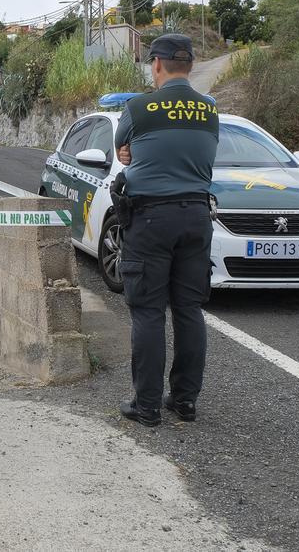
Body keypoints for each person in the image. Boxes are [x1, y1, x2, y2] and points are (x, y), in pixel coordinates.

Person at [113, 33, 219, 427]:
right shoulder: (209, 109)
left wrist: (130, 153)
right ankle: (186, 401)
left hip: (151, 219)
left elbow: (123, 146)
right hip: (196, 216)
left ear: (155, 64)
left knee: (148, 312)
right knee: (189, 310)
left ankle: (147, 406)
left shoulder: (139, 107)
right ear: (189, 65)